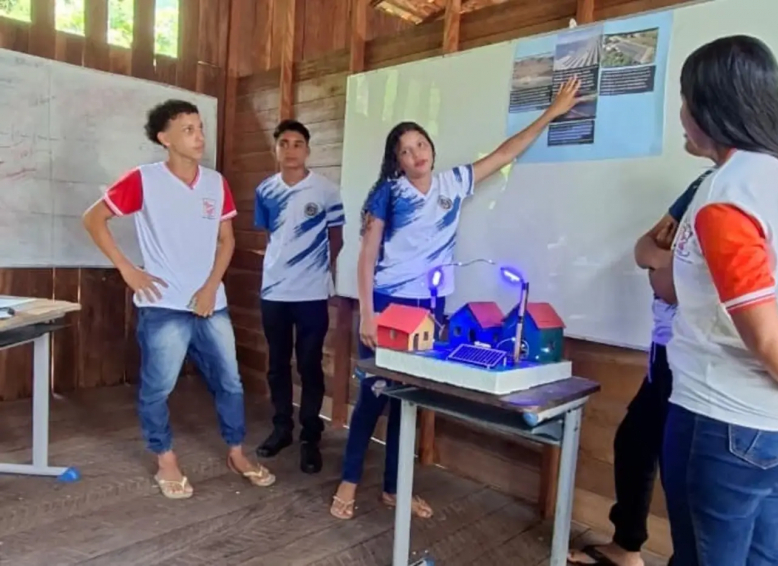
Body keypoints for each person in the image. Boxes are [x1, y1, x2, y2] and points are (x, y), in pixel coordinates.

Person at [328, 76, 582, 520]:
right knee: (373, 394)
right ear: (396, 161)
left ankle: (394, 488)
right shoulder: (389, 193)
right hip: (388, 305)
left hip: (430, 307)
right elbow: (366, 258)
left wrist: (551, 113)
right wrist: (367, 313)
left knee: (408, 399)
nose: (416, 154)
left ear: (431, 147)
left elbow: (504, 154)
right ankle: (348, 482)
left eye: (420, 144)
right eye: (405, 151)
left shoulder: (453, 183)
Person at [660, 35, 778, 565]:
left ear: (709, 108)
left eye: (685, 98)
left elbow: (763, 334)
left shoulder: (726, 193)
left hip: (724, 427)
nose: (681, 113)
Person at [82, 99, 276, 499]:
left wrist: (210, 288)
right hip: (163, 305)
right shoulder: (143, 179)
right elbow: (93, 218)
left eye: (200, 127)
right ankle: (165, 459)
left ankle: (236, 453)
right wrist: (127, 269)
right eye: (188, 129)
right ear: (164, 138)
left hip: (211, 305)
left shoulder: (215, 183)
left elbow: (226, 240)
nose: (199, 136)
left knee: (230, 382)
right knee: (158, 387)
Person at [568, 158, 714, 566]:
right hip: (664, 348)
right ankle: (626, 546)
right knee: (635, 442)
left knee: (681, 468)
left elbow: (689, 281)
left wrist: (667, 264)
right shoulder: (704, 183)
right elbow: (644, 248)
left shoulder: (739, 189)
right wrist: (666, 262)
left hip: (695, 353)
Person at [253, 119, 345, 474]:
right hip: (274, 292)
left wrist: (316, 270)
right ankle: (282, 428)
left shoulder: (325, 190)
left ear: (307, 150)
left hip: (311, 294)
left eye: (297, 144)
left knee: (309, 364)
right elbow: (271, 238)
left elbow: (337, 238)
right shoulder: (265, 190)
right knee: (277, 364)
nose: (291, 150)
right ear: (276, 149)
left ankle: (310, 436)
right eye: (284, 143)